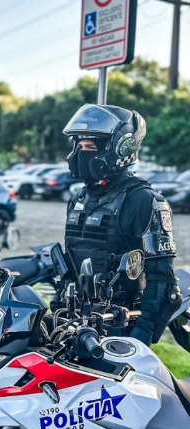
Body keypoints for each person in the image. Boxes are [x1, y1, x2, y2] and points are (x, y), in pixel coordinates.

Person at [63, 103, 181, 346]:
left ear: (121, 147)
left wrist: (143, 332)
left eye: (91, 146)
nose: (82, 153)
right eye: (80, 146)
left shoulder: (143, 199)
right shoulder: (79, 199)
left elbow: (163, 279)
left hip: (122, 326)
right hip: (76, 322)